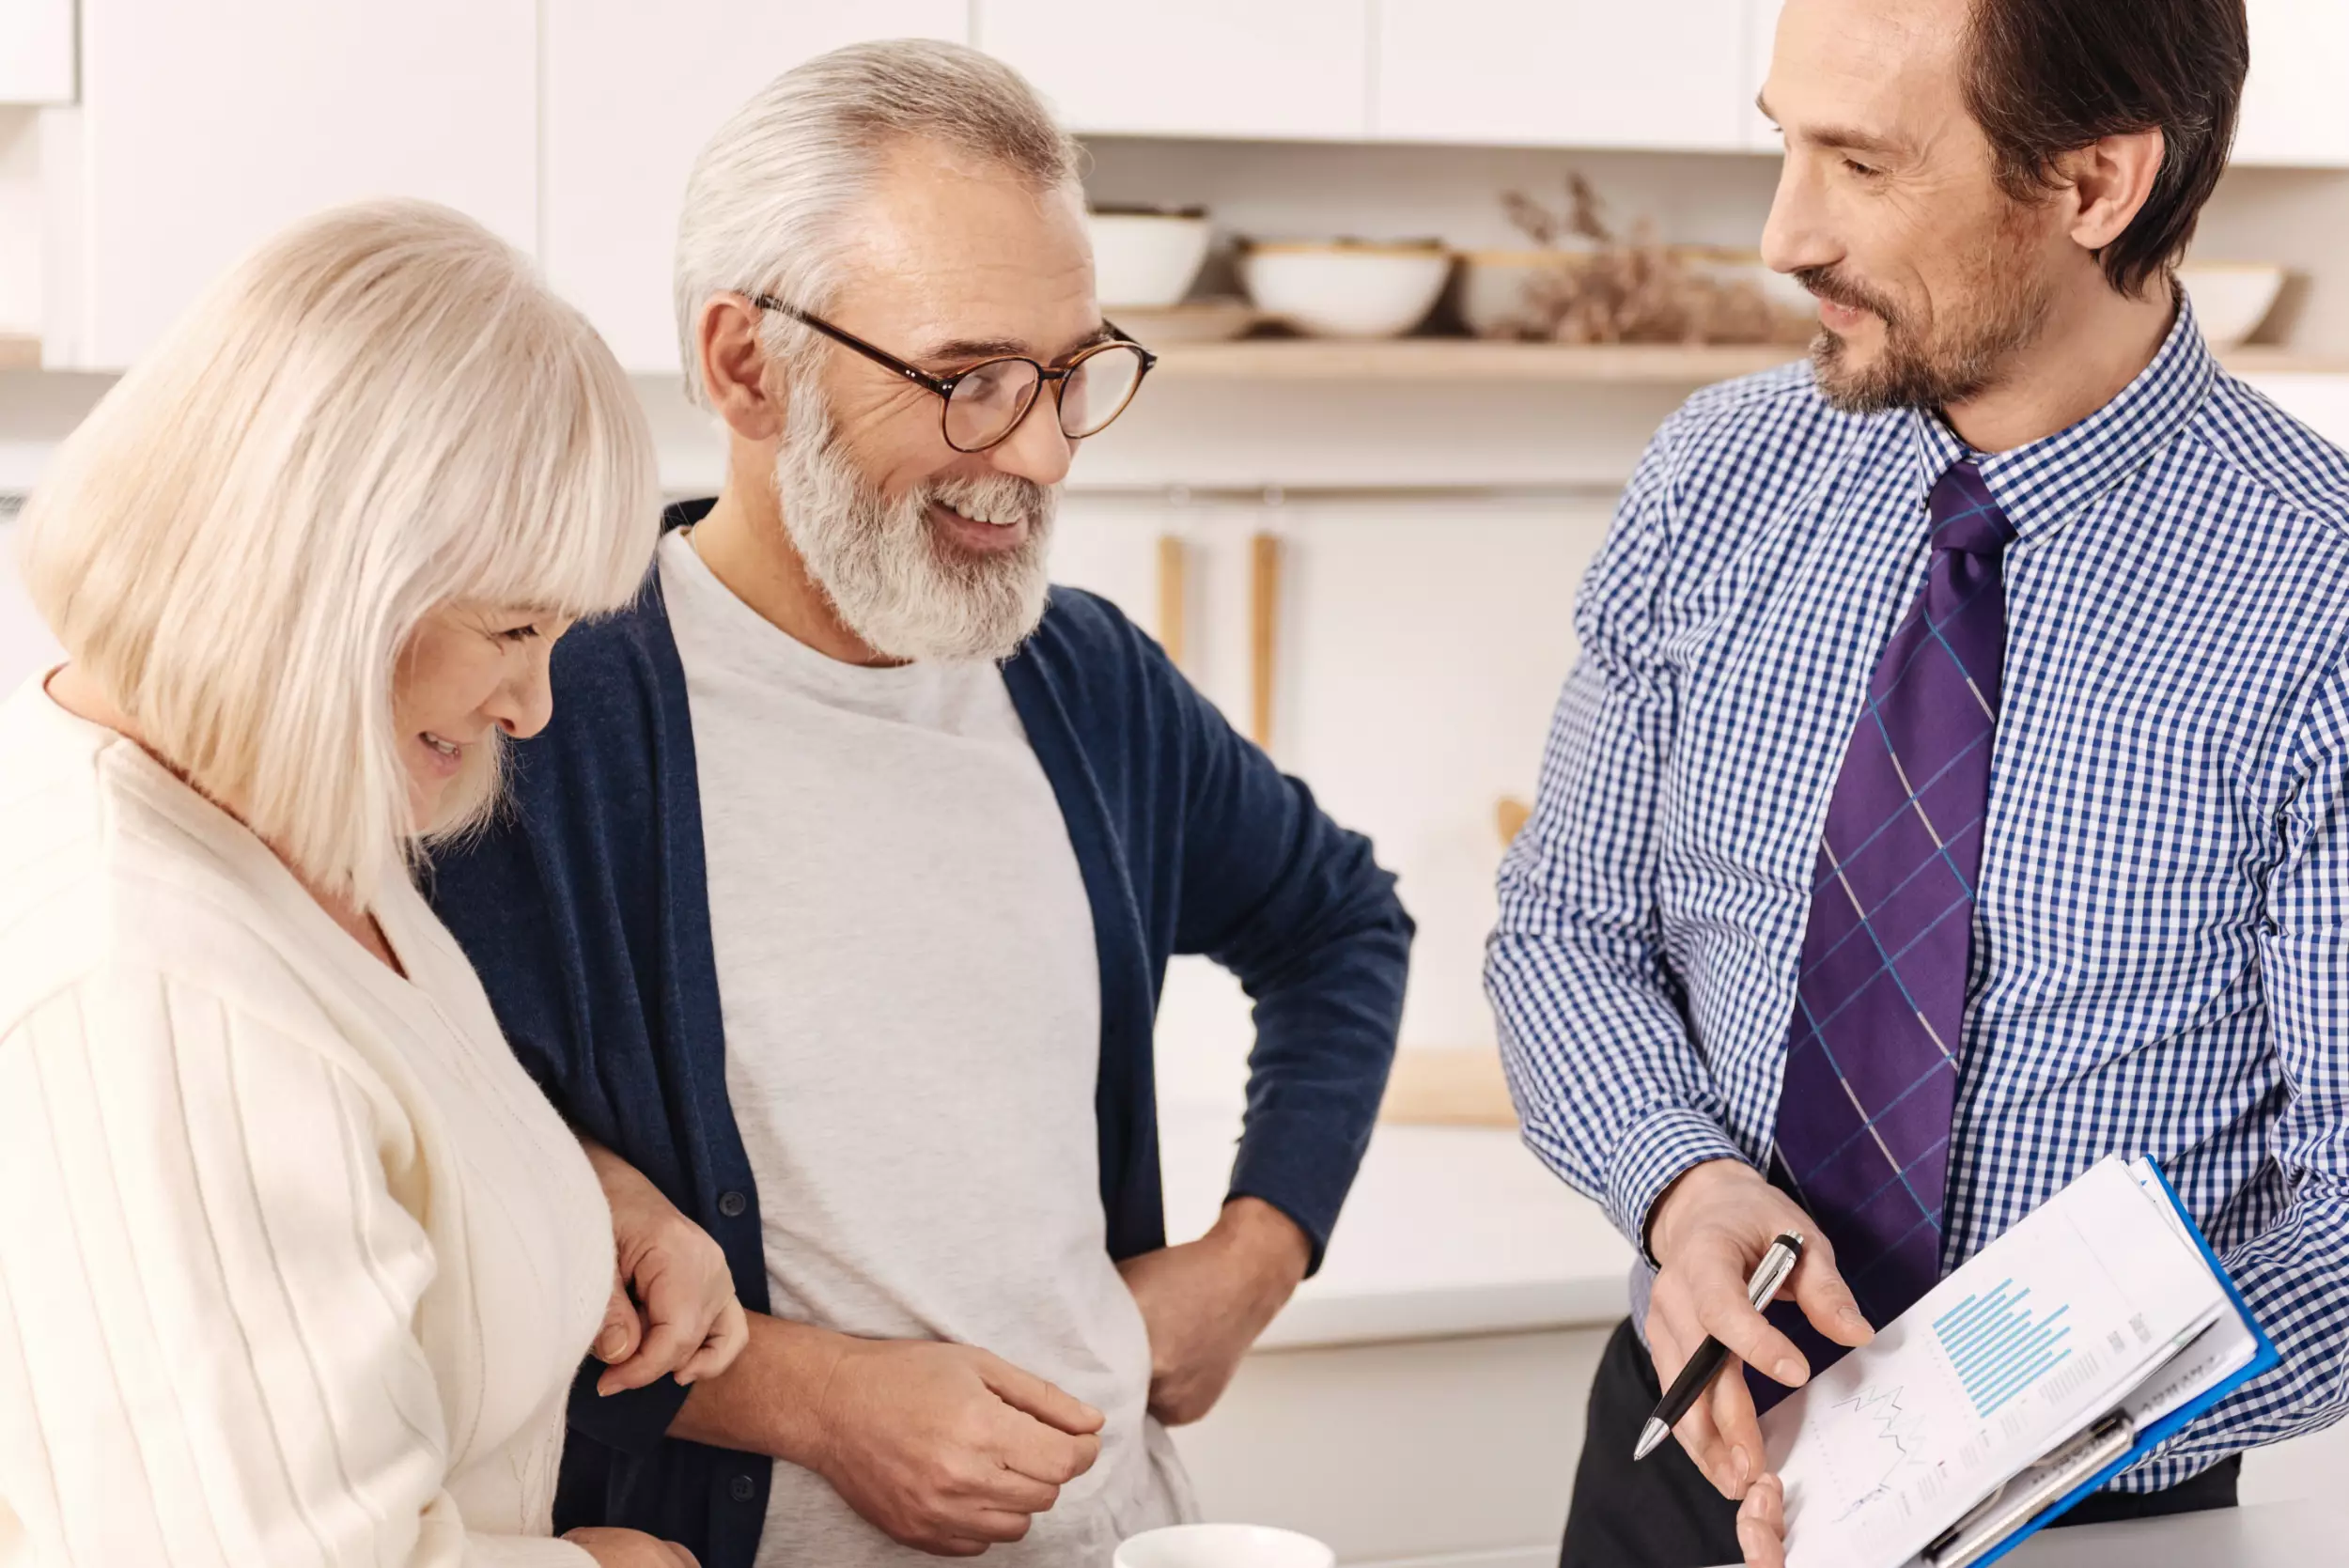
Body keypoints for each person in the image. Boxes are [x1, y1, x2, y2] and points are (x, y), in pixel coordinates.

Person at [422, 38, 1413, 1568]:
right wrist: (807, 1402)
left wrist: (1256, 1252)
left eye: (1073, 373)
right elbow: (437, 1211)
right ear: (747, 364)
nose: (1034, 452)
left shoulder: (1082, 680)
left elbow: (1339, 919)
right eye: (966, 381)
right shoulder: (541, 713)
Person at [1485, 0, 2349, 1563]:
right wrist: (1680, 1190)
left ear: (2096, 185)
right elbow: (1566, 931)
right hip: (1677, 1452)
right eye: (1785, 142)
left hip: (2085, 1513)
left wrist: (1987, 1426)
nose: (1781, 232)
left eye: (1861, 163)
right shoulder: (1714, 478)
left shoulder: (2321, 602)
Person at [0, 199, 747, 1568]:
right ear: (326, 582)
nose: (532, 705)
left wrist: (587, 1209)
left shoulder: (267, 812)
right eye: (514, 631)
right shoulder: (149, 984)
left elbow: (360, 1126)